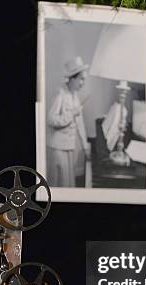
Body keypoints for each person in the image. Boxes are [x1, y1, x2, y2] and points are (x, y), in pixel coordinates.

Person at [47, 56, 90, 187]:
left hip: (69, 146)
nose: (83, 83)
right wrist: (70, 115)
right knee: (60, 182)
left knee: (68, 182)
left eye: (84, 79)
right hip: (58, 148)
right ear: (72, 79)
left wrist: (85, 146)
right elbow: (51, 119)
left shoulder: (75, 95)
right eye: (81, 79)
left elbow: (80, 124)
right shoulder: (60, 94)